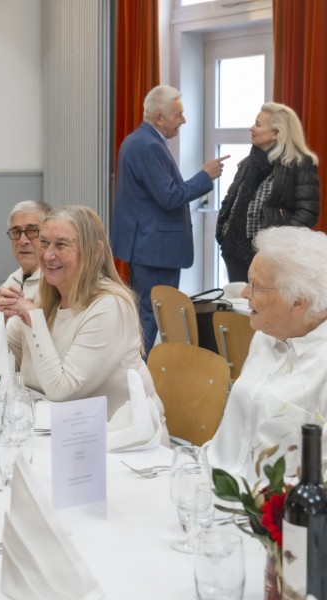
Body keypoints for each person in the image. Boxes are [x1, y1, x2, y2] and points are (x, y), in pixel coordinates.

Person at [0, 206, 166, 427]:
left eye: (61, 244)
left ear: (94, 251)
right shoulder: (44, 297)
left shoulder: (110, 306)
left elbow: (62, 391)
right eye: (44, 242)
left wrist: (33, 319)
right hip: (65, 430)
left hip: (121, 441)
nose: (48, 255)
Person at [111, 85, 228, 355]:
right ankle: (137, 375)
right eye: (178, 114)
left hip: (145, 246)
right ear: (159, 117)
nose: (183, 120)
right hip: (155, 250)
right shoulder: (148, 145)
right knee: (151, 316)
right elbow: (170, 197)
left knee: (145, 314)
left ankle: (136, 373)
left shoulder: (137, 140)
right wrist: (205, 176)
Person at [207, 226, 327, 483]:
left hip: (276, 514)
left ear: (298, 301)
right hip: (218, 485)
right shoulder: (267, 335)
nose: (243, 293)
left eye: (256, 286)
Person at [216, 102, 320, 283]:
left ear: (277, 133)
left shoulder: (300, 163)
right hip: (232, 250)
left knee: (264, 307)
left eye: (258, 124)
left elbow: (307, 213)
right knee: (236, 307)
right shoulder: (248, 162)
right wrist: (222, 232)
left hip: (270, 256)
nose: (252, 128)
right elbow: (231, 198)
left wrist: (278, 244)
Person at [0, 200, 51, 324]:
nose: (22, 241)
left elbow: (36, 338)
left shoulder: (53, 283)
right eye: (16, 232)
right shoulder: (13, 279)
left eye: (31, 231)